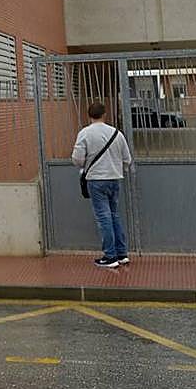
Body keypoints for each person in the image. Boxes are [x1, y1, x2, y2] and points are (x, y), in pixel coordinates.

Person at [71, 102, 133, 268]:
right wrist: (119, 169)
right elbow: (127, 159)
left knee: (103, 217)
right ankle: (122, 254)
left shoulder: (85, 133)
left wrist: (86, 165)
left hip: (96, 180)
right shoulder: (117, 134)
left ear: (89, 115)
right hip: (115, 179)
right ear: (104, 114)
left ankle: (110, 256)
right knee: (114, 215)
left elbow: (77, 159)